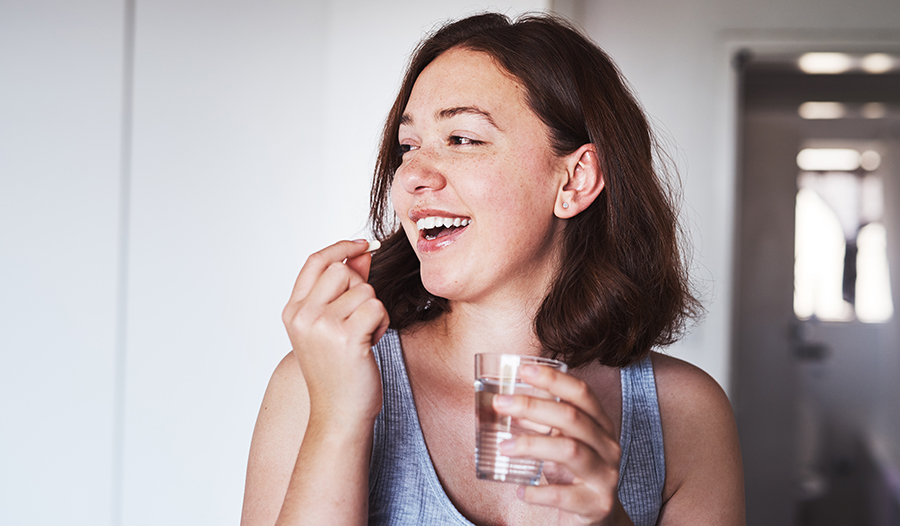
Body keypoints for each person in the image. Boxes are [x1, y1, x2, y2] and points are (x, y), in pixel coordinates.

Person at [240, 12, 744, 526]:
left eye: (463, 139)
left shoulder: (687, 416)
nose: (412, 174)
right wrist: (338, 422)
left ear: (575, 180)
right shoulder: (315, 384)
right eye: (408, 146)